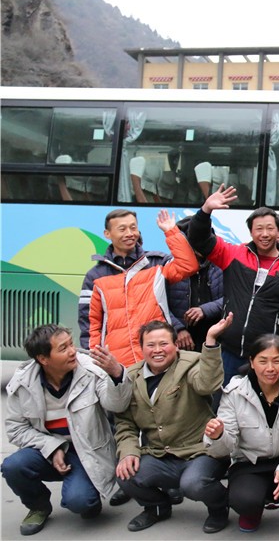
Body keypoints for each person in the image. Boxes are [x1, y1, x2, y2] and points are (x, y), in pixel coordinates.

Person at [2, 325, 131, 536]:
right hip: (46, 451)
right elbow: (16, 429)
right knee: (13, 466)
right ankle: (38, 506)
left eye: (71, 344)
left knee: (81, 502)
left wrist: (116, 373)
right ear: (43, 359)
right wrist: (53, 448)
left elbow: (117, 405)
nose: (73, 351)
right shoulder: (23, 381)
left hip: (87, 451)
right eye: (63, 348)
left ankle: (86, 495)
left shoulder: (90, 370)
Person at [114, 317, 231, 534]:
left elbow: (208, 384)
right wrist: (128, 452)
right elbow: (125, 423)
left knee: (193, 484)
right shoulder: (131, 376)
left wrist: (210, 340)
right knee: (126, 473)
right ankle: (157, 507)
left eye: (164, 344)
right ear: (141, 348)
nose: (157, 350)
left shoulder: (191, 363)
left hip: (199, 451)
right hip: (160, 454)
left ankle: (219, 507)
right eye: (151, 345)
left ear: (176, 345)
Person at [187, 185, 279, 386]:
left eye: (270, 228)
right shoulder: (233, 255)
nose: (265, 234)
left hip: (267, 357)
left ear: (278, 231)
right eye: (259, 229)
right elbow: (198, 239)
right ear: (251, 232)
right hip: (229, 351)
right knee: (223, 402)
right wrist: (206, 210)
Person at [204, 334, 279, 537]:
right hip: (251, 463)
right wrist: (218, 436)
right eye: (262, 361)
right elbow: (224, 448)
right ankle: (254, 508)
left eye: (276, 361)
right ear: (251, 362)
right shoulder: (235, 392)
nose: (270, 368)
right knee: (244, 500)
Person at [79, 208, 197, 359]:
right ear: (107, 234)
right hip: (117, 362)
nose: (129, 233)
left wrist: (171, 232)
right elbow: (89, 324)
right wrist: (95, 359)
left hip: (157, 358)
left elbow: (189, 266)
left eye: (133, 227)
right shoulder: (95, 276)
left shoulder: (157, 264)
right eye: (122, 229)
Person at [172, 217, 225, 352]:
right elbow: (158, 304)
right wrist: (178, 329)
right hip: (182, 341)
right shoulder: (169, 267)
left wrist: (205, 310)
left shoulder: (223, 263)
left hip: (218, 337)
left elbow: (234, 298)